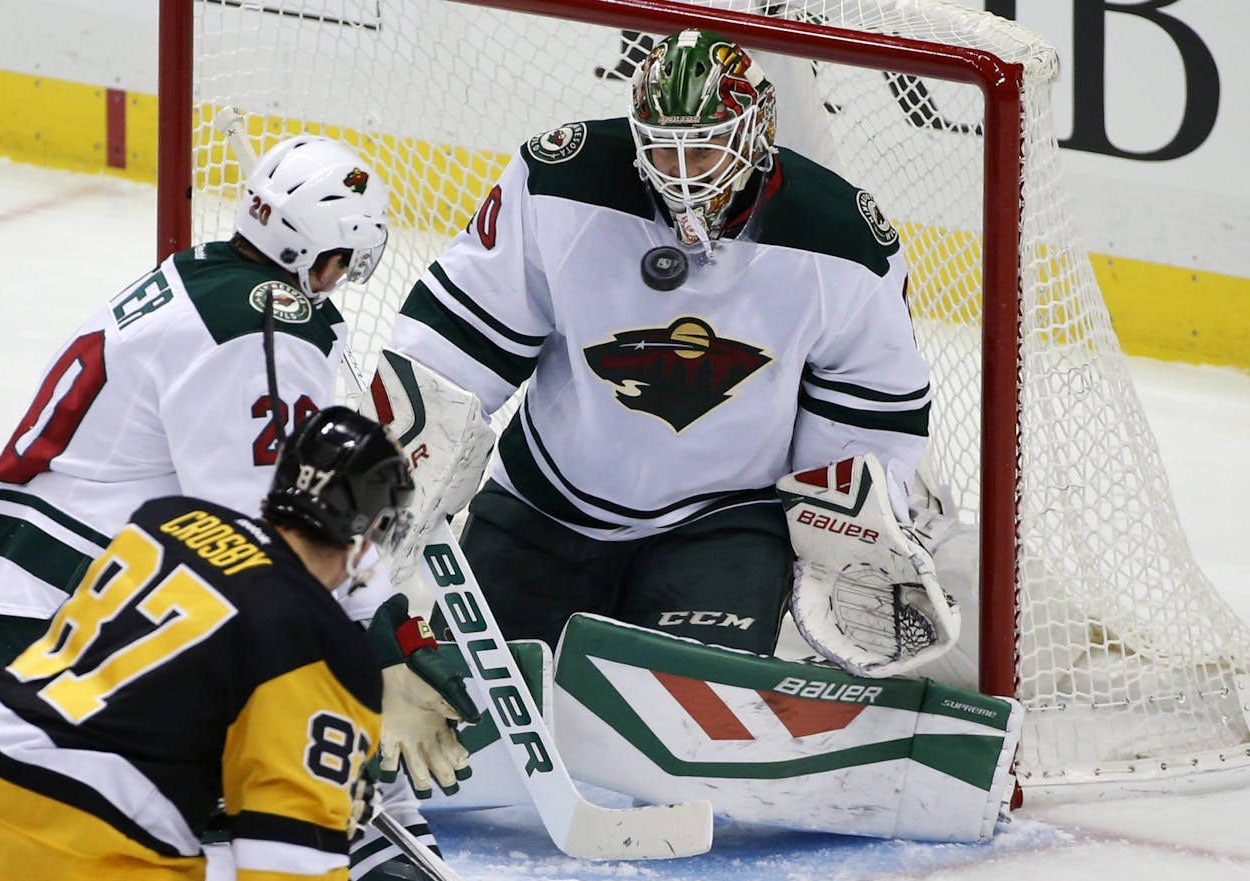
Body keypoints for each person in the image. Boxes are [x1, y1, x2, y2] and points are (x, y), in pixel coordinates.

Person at [0, 135, 476, 881]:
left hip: (60, 590)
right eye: (344, 259)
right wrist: (378, 658)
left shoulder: (208, 278)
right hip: (81, 616)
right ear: (321, 254)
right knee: (293, 777)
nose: (343, 279)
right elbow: (285, 541)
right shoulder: (262, 331)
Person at [369, 27, 945, 670]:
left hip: (724, 523)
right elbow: (459, 341)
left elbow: (869, 406)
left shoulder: (840, 242)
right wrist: (396, 468)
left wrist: (847, 536)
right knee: (475, 707)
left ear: (755, 138)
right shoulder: (562, 184)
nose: (679, 173)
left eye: (702, 150)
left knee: (691, 732)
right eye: (662, 150)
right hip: (546, 502)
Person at [0, 406, 426, 881]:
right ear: (365, 532)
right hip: (80, 879)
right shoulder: (322, 644)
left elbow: (155, 704)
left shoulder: (168, 520)